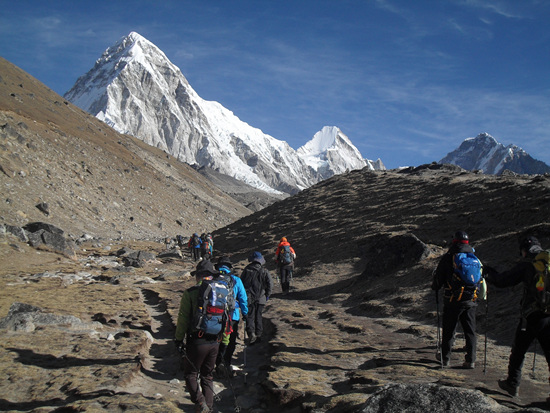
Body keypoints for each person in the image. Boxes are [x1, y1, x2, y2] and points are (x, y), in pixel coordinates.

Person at [485, 236, 550, 401]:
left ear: (524, 250)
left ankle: (512, 384)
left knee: (519, 350)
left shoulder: (527, 264)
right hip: (549, 315)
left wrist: (489, 272)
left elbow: (503, 281)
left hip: (531, 316)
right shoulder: (547, 263)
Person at [174, 260, 224, 413]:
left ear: (198, 276)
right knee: (207, 376)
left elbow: (183, 318)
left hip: (197, 340)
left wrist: (178, 339)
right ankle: (209, 407)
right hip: (215, 340)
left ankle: (200, 403)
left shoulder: (190, 293)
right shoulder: (220, 292)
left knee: (190, 374)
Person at [431, 230, 486, 369]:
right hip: (471, 300)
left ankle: (445, 358)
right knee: (470, 331)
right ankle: (471, 360)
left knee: (449, 330)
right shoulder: (474, 258)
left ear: (454, 241)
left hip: (453, 300)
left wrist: (436, 286)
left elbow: (438, 281)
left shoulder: (449, 258)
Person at [215, 255, 248, 374]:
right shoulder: (236, 280)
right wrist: (245, 313)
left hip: (214, 316)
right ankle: (226, 363)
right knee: (230, 341)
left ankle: (215, 362)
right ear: (229, 267)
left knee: (216, 339)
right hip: (232, 316)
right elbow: (243, 298)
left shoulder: (212, 278)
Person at [241, 251, 273, 345]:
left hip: (249, 297)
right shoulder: (264, 271)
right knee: (258, 316)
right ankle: (258, 335)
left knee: (250, 316)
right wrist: (267, 295)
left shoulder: (247, 270)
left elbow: (241, 283)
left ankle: (251, 333)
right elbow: (270, 284)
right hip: (261, 298)